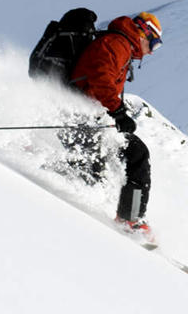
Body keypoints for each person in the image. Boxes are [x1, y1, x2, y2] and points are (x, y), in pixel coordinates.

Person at [60, 12, 162, 239]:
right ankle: (130, 221)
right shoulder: (118, 43)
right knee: (134, 154)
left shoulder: (121, 45)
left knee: (96, 167)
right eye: (154, 43)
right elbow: (100, 77)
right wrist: (118, 112)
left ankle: (128, 218)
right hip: (80, 114)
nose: (152, 51)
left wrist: (114, 112)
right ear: (143, 33)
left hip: (89, 115)